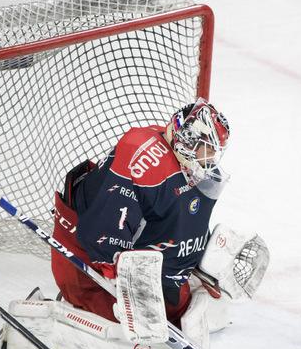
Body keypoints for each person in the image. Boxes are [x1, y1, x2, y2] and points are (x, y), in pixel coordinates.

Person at [51, 98, 231, 326]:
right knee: (162, 315)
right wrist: (121, 279)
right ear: (189, 139)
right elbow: (102, 231)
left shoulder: (175, 152)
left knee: (177, 304)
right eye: (207, 149)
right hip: (83, 263)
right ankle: (78, 307)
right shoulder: (142, 159)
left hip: (121, 250)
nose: (210, 160)